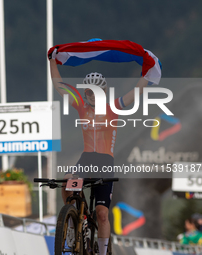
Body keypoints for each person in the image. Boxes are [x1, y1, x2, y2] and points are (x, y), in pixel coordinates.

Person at [49, 48, 148, 255]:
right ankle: (72, 217)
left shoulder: (114, 107)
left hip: (105, 162)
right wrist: (53, 62)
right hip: (86, 160)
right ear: (85, 92)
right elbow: (59, 87)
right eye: (89, 91)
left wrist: (147, 72)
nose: (92, 94)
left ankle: (102, 252)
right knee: (67, 182)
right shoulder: (81, 107)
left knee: (102, 214)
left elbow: (137, 91)